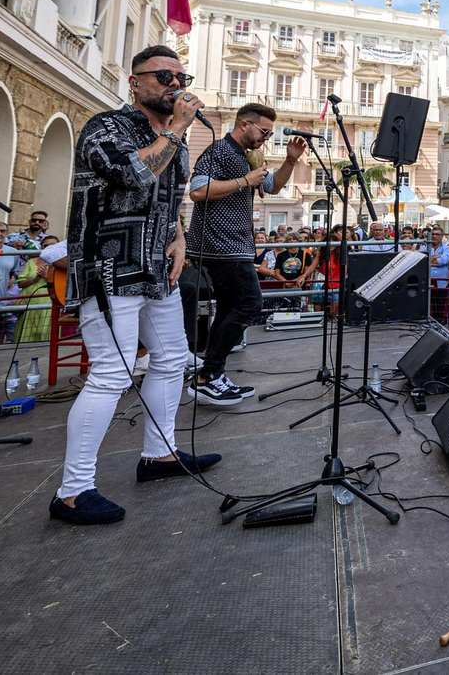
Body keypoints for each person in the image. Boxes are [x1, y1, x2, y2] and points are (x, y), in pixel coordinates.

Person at [52, 46, 219, 525]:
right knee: (111, 373)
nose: (175, 84)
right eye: (163, 76)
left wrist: (180, 236)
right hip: (109, 267)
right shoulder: (106, 127)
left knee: (172, 358)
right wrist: (177, 129)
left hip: (156, 270)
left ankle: (159, 454)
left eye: (180, 77)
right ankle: (72, 491)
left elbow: (170, 197)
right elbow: (133, 174)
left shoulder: (173, 140)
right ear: (135, 82)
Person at [186, 102, 306, 407]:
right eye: (264, 131)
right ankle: (208, 376)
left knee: (229, 308)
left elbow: (272, 186)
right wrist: (244, 182)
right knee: (250, 302)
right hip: (220, 245)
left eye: (270, 133)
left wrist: (290, 161)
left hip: (236, 245)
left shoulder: (248, 156)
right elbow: (197, 191)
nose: (267, 137)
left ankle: (211, 375)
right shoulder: (219, 151)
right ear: (244, 125)